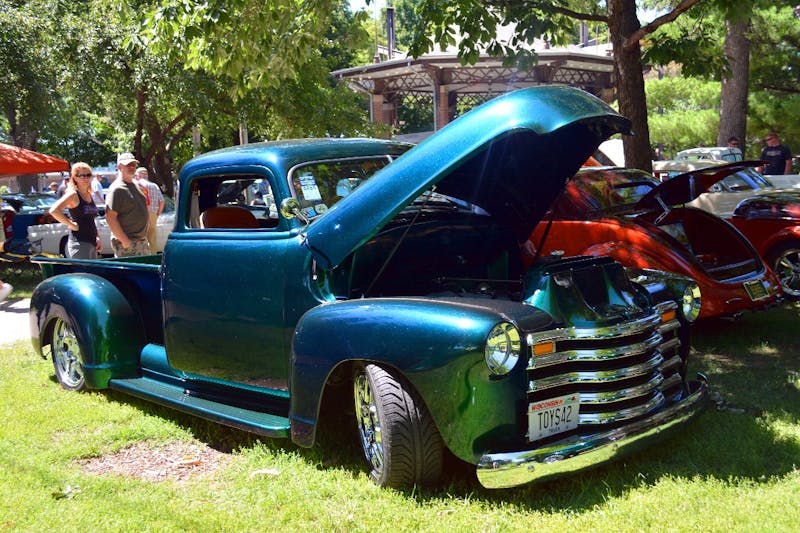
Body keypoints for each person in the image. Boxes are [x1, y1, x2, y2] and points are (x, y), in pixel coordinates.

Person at [48, 162, 102, 259]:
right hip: (79, 243)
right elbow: (54, 210)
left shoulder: (89, 194)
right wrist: (71, 224)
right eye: (83, 176)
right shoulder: (73, 194)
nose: (86, 178)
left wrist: (97, 237)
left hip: (92, 243)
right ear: (75, 178)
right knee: (82, 273)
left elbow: (91, 220)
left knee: (92, 273)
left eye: (88, 175)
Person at [105, 152, 149, 257]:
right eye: (128, 165)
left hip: (141, 242)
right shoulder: (117, 189)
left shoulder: (136, 185)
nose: (132, 167)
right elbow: (110, 218)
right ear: (119, 167)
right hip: (128, 244)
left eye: (133, 164)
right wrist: (125, 242)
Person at [134, 167, 164, 254]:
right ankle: (153, 256)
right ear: (146, 175)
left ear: (138, 175)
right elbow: (162, 201)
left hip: (141, 214)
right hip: (153, 214)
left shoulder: (137, 185)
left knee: (142, 238)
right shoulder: (154, 186)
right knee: (152, 238)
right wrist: (157, 213)